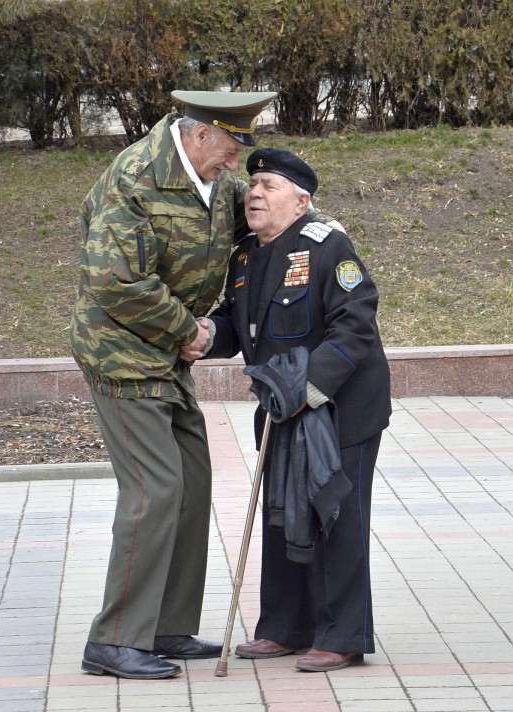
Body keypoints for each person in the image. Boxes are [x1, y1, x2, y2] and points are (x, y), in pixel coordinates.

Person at [69, 89, 282, 681]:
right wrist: (186, 328)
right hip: (120, 352)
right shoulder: (135, 177)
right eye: (233, 149)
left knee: (191, 480)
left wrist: (312, 227)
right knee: (155, 488)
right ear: (201, 135)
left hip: (164, 356)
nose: (237, 164)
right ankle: (113, 639)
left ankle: (164, 626)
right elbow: (114, 281)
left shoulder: (215, 180)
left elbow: (260, 211)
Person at [199, 148, 392, 673]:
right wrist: (205, 335)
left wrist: (307, 389)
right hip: (282, 406)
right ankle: (285, 627)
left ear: (302, 201)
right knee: (283, 511)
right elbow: (239, 325)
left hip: (339, 408)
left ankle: (343, 634)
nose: (255, 193)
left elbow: (355, 325)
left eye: (270, 185)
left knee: (335, 514)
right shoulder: (246, 254)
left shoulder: (328, 247)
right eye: (254, 183)